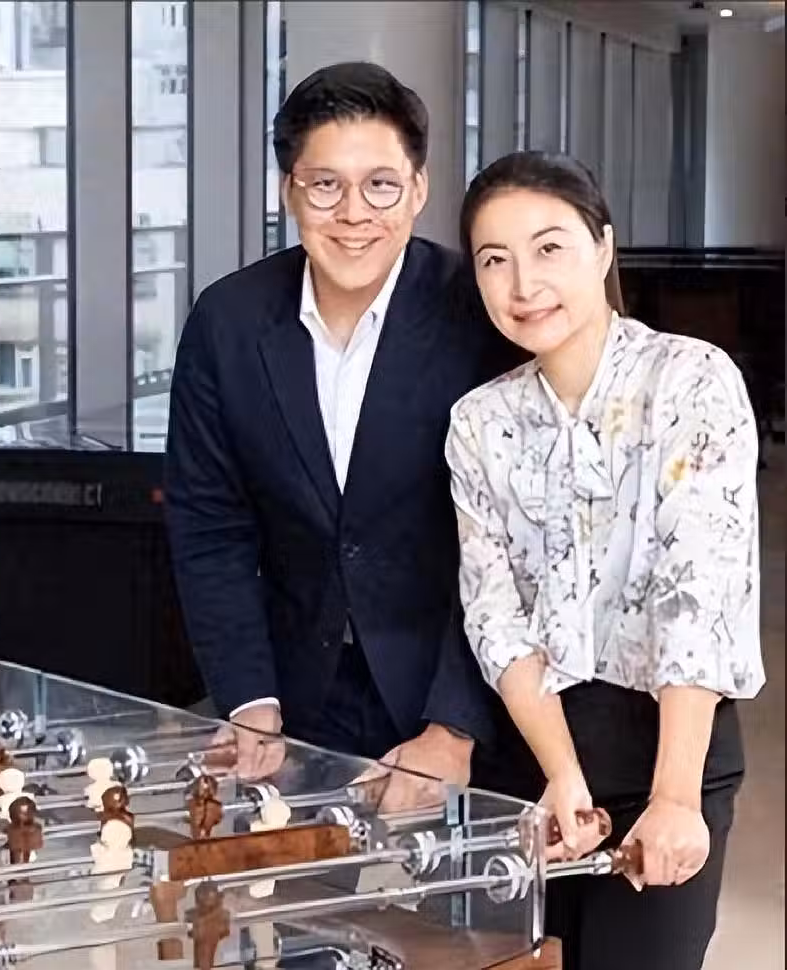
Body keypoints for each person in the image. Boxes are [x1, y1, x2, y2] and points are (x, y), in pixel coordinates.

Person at [164, 62, 518, 806]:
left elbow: (518, 541)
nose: (354, 213)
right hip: (293, 699)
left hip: (459, 691)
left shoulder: (480, 313)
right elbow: (210, 526)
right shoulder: (226, 322)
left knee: (464, 886)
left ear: (418, 189)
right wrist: (249, 696)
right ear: (288, 191)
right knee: (292, 882)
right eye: (325, 184)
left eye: (381, 185)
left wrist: (454, 726)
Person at [445, 150, 765, 970]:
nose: (524, 283)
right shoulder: (478, 422)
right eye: (495, 259)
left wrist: (674, 797)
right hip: (530, 753)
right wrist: (561, 774)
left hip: (669, 747)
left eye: (549, 248)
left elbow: (697, 595)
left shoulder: (692, 380)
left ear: (603, 249)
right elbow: (494, 614)